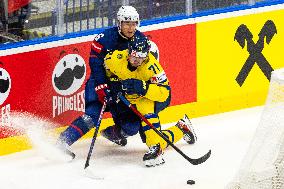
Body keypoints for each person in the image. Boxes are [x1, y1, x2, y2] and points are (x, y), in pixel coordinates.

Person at [56, 5, 147, 158]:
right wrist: (101, 85)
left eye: (134, 24)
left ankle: (111, 134)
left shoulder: (141, 40)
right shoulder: (105, 38)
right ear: (119, 23)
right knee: (92, 116)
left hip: (123, 87)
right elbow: (95, 63)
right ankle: (63, 141)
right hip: (101, 81)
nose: (131, 28)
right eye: (127, 23)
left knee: (131, 127)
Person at [99, 36, 197, 167]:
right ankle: (181, 128)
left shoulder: (152, 67)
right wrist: (112, 85)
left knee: (150, 137)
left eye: (142, 57)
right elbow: (105, 71)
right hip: (126, 99)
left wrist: (144, 88)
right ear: (128, 51)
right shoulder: (115, 58)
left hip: (148, 98)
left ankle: (156, 149)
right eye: (135, 56)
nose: (138, 61)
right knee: (132, 127)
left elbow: (164, 93)